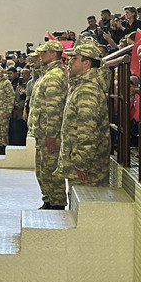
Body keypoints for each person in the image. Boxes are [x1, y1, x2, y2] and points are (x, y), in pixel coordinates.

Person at [55, 42, 111, 188]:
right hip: (80, 164)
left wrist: (81, 163)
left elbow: (87, 131)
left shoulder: (88, 91)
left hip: (87, 169)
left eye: (74, 58)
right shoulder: (80, 86)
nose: (69, 61)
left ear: (86, 63)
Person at [27, 40, 68, 209]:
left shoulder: (55, 76)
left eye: (44, 53)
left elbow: (54, 109)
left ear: (53, 54)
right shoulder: (46, 75)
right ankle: (48, 200)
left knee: (51, 170)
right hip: (42, 132)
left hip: (49, 134)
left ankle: (57, 203)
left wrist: (51, 134)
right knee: (43, 170)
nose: (40, 56)